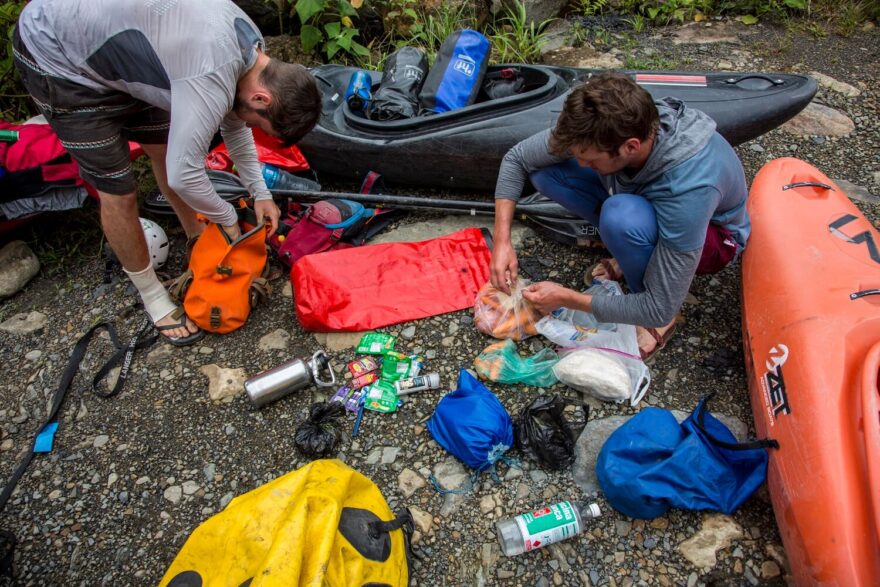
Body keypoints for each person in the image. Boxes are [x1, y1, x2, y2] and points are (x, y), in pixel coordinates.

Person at [13, 0, 321, 345]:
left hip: (140, 56)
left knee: (162, 149)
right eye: (261, 124)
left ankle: (199, 245)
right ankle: (152, 294)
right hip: (58, 54)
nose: (253, 126)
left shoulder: (254, 54)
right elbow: (183, 175)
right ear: (263, 99)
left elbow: (235, 126)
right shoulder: (210, 71)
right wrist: (225, 216)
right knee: (118, 190)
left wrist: (261, 192)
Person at [490, 73, 748, 361]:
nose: (581, 164)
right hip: (643, 205)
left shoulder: (689, 186)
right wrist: (502, 243)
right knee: (545, 172)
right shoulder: (605, 128)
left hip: (712, 240)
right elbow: (517, 158)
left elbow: (658, 306)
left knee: (621, 218)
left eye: (591, 159)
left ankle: (653, 315)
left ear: (631, 146)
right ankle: (629, 252)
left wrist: (569, 298)